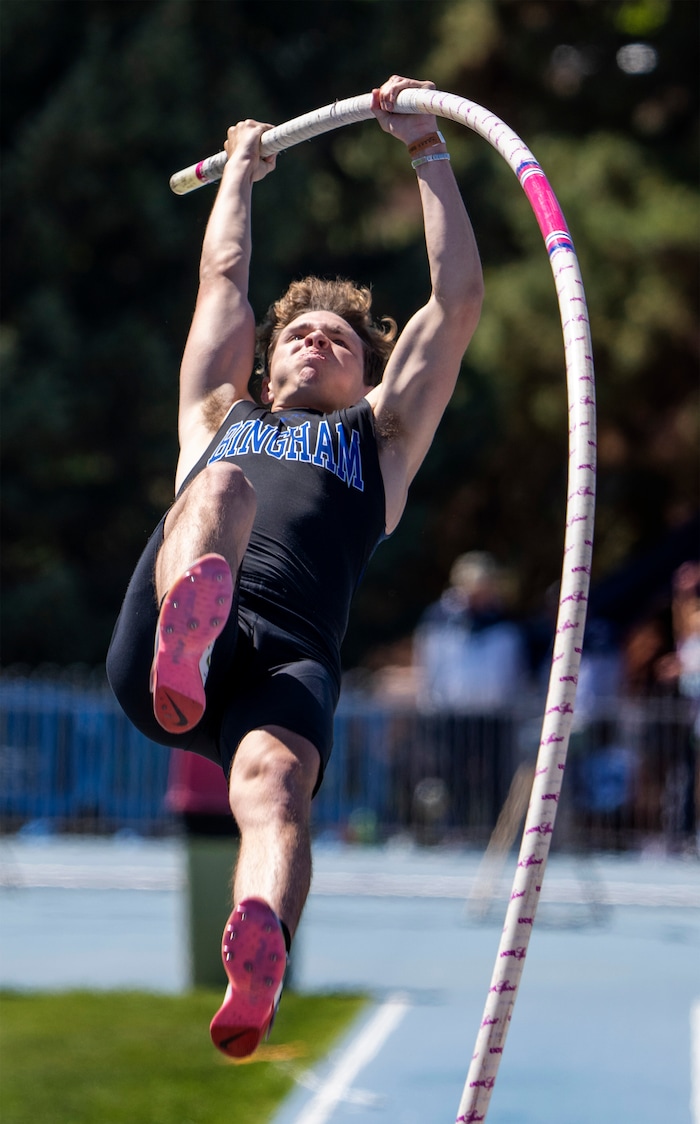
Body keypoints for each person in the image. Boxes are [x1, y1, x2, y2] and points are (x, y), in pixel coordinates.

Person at [107, 74, 483, 1057]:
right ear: (267, 364)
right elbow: (222, 283)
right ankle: (186, 642)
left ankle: (258, 947)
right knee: (223, 486)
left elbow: (457, 300)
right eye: (301, 333)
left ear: (366, 371)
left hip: (286, 659)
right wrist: (240, 172)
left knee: (277, 785)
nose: (318, 341)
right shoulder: (220, 416)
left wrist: (426, 152)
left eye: (342, 340)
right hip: (172, 638)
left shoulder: (381, 443)